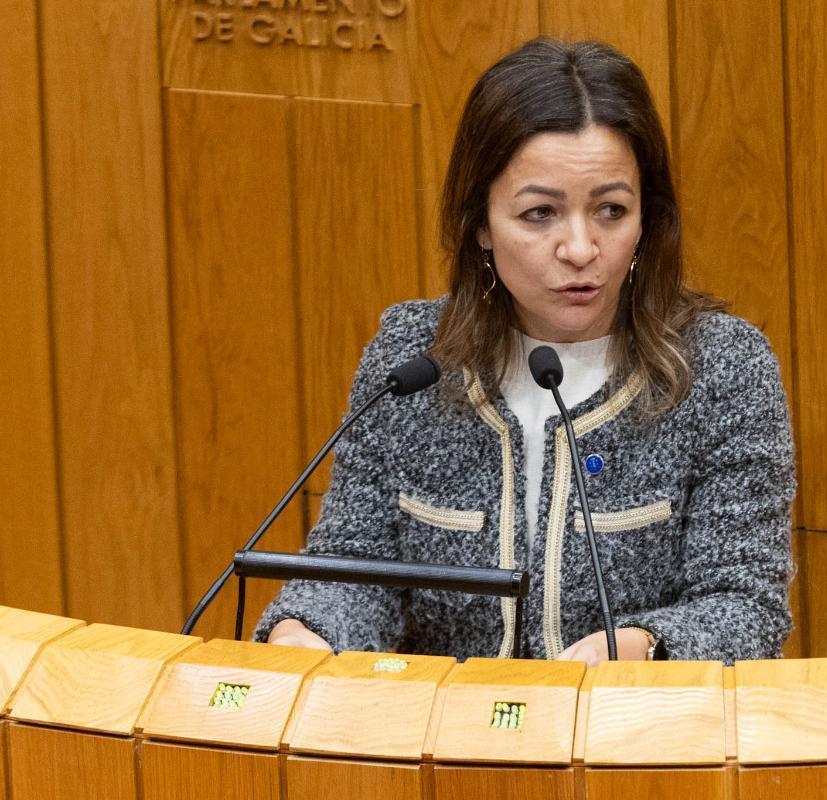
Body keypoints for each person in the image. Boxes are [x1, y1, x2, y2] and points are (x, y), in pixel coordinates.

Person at [255, 37, 795, 666]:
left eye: (611, 211)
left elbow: (745, 605)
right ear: (481, 223)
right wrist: (304, 633)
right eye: (540, 213)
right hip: (449, 744)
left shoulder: (723, 369)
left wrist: (646, 646)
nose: (580, 248)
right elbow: (350, 574)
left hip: (640, 741)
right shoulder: (413, 359)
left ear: (648, 216)